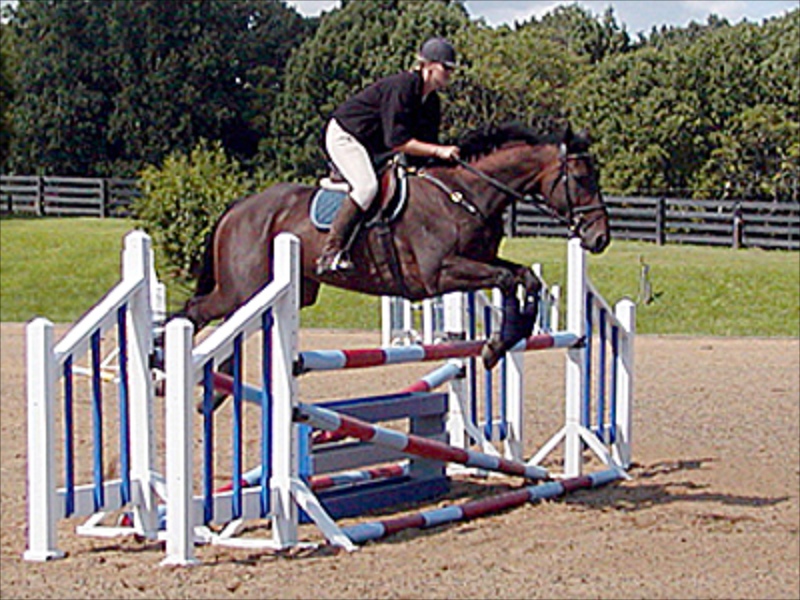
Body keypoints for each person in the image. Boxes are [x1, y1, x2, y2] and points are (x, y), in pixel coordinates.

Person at [317, 37, 462, 275]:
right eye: (446, 68)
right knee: (367, 188)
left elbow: (425, 147)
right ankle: (331, 252)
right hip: (347, 135)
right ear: (428, 65)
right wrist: (439, 150)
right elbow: (398, 141)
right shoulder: (404, 86)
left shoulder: (431, 102)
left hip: (373, 146)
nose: (449, 74)